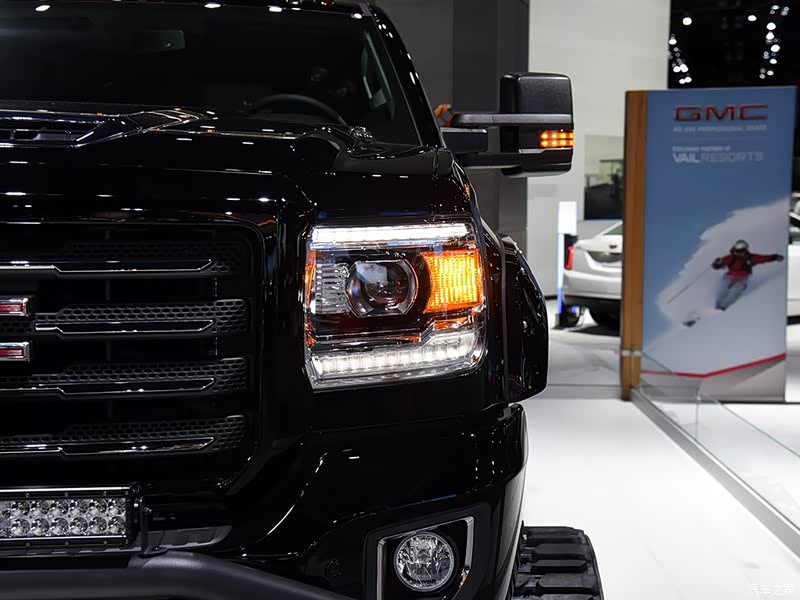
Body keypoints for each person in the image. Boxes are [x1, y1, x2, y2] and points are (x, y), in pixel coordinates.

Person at [711, 240, 784, 310]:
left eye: (741, 251)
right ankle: (716, 305)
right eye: (737, 251)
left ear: (745, 250)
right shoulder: (730, 258)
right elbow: (716, 266)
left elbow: (763, 258)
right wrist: (716, 263)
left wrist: (775, 257)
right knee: (722, 289)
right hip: (730, 276)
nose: (739, 253)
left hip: (743, 278)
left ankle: (723, 307)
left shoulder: (751, 258)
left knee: (735, 291)